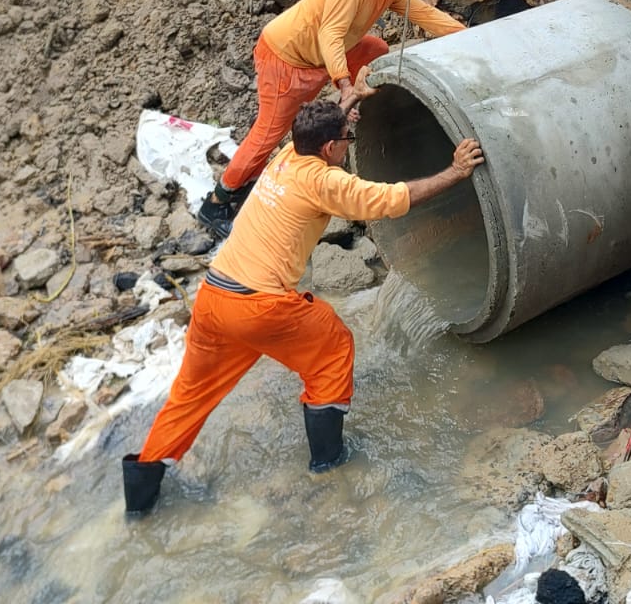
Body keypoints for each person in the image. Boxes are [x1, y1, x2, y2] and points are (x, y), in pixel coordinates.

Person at [122, 100, 486, 515]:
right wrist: (456, 171)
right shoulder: (325, 183)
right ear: (330, 147)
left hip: (214, 295)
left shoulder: (287, 154)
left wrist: (348, 103)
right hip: (259, 304)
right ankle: (328, 464)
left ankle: (140, 494)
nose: (348, 146)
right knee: (332, 350)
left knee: (190, 395)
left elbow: (319, 130)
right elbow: (392, 198)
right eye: (346, 141)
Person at [199, 0, 465, 238]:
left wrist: (471, 37)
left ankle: (356, 111)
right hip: (287, 58)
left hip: (321, 56)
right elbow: (331, 34)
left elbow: (428, 16)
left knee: (376, 48)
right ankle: (218, 200)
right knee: (269, 133)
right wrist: (344, 84)